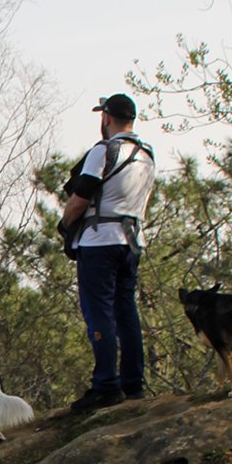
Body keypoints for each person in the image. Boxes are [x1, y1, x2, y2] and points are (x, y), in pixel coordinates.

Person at [58, 93, 156, 410]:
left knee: (98, 311)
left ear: (106, 118)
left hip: (99, 241)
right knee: (127, 312)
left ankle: (105, 385)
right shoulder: (146, 154)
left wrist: (64, 223)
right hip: (132, 241)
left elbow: (80, 197)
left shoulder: (103, 150)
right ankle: (133, 384)